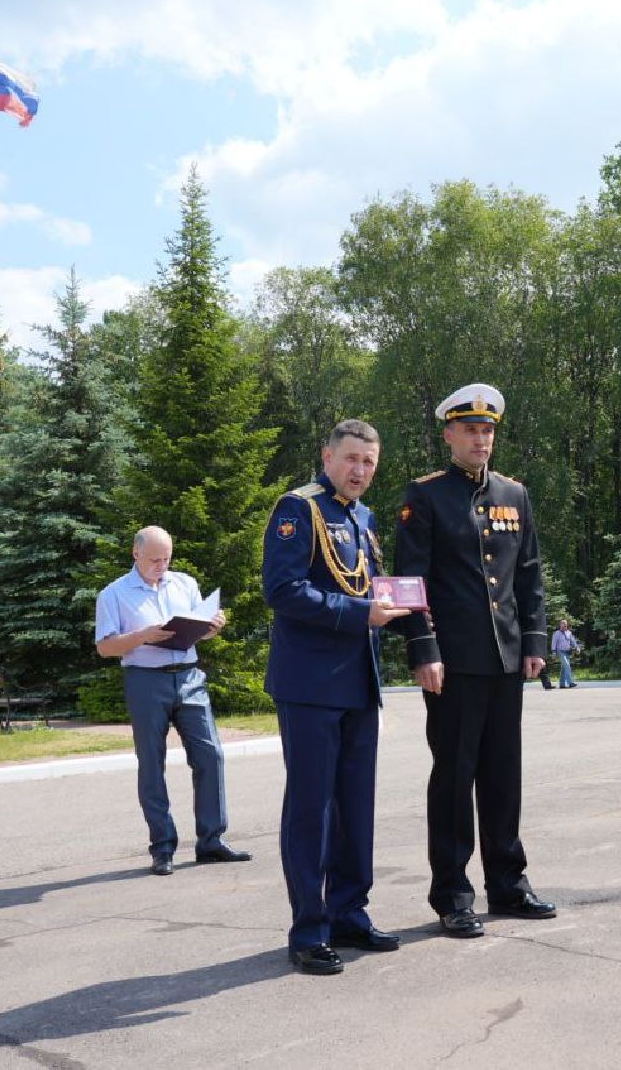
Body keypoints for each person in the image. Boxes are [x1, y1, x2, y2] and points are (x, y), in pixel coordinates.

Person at [394, 382, 557, 938]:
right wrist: (424, 649)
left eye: (487, 431)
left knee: (502, 776)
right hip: (453, 662)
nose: (480, 439)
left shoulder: (515, 494)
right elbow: (411, 583)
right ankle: (453, 894)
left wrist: (534, 643)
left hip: (506, 659)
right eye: (470, 430)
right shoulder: (426, 496)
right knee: (455, 777)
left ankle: (509, 884)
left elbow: (528, 574)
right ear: (449, 435)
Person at [262, 419, 412, 977]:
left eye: (369, 463)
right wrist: (360, 614)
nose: (360, 471)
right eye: (351, 459)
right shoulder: (298, 509)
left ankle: (350, 911)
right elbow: (281, 590)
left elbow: (365, 589)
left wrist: (405, 612)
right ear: (327, 456)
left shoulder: (363, 518)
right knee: (311, 809)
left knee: (355, 806)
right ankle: (309, 929)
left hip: (357, 681)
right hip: (308, 686)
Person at [94, 526, 250, 876]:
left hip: (190, 676)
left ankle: (211, 841)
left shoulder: (185, 583)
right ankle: (162, 847)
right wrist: (143, 636)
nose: (161, 566)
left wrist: (212, 626)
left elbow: (199, 628)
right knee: (152, 763)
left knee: (211, 755)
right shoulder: (113, 594)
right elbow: (104, 646)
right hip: (145, 680)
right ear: (136, 554)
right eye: (154, 560)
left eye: (166, 559)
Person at [551, 619, 580, 689]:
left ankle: (562, 684)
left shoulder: (569, 633)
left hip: (567, 652)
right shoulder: (557, 633)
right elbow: (554, 643)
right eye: (563, 623)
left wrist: (577, 648)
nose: (564, 625)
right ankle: (570, 682)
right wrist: (554, 652)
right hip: (560, 652)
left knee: (564, 668)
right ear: (560, 625)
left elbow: (573, 641)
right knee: (567, 665)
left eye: (565, 623)